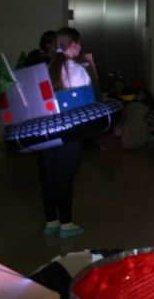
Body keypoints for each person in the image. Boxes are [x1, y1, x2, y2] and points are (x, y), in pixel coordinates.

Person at [40, 27, 92, 239]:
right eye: (79, 43)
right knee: (65, 178)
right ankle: (67, 225)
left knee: (50, 177)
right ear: (73, 45)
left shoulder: (47, 68)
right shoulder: (77, 70)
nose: (81, 47)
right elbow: (86, 102)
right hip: (70, 131)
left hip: (47, 129)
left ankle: (51, 221)